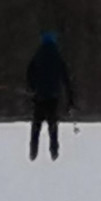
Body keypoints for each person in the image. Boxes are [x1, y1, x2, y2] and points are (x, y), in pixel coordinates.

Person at [26, 31, 76, 162]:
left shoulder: (38, 55)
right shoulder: (57, 57)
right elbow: (65, 78)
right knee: (52, 124)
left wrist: (32, 88)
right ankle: (54, 151)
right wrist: (70, 100)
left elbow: (29, 73)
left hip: (39, 96)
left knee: (36, 124)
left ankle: (33, 150)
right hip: (53, 96)